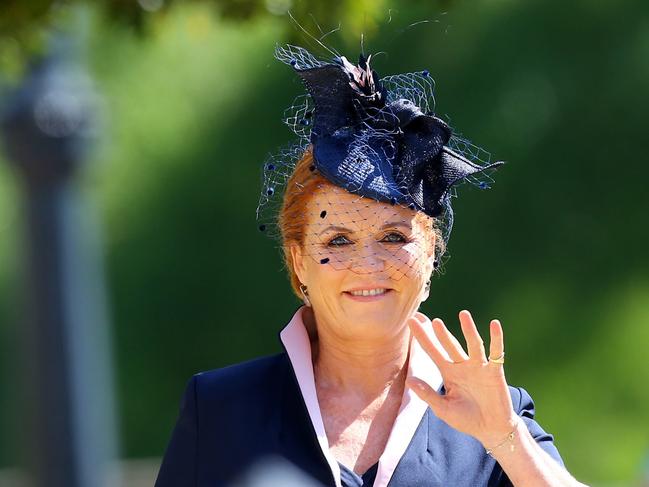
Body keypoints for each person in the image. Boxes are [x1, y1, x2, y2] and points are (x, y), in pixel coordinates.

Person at [154, 44, 587, 487]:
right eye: (338, 240)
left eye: (394, 237)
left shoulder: (495, 411)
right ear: (299, 263)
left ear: (432, 255)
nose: (368, 264)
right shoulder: (221, 408)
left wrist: (504, 437)